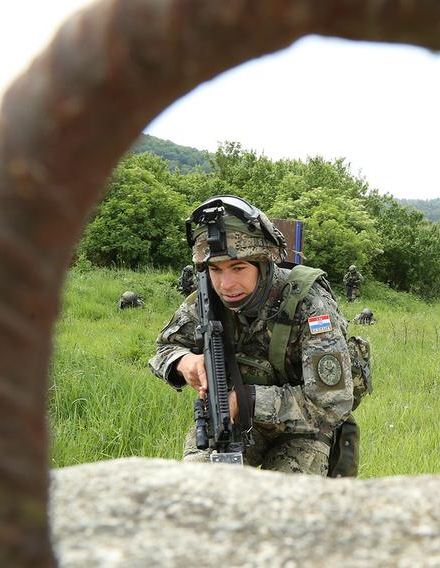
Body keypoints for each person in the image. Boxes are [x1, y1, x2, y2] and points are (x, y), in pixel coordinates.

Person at [148, 195, 353, 475]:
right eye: (214, 270)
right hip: (230, 422)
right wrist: (183, 362)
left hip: (303, 428)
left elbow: (332, 403)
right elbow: (164, 348)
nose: (226, 284)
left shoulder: (311, 304)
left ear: (264, 264)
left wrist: (247, 400)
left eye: (238, 268)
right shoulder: (207, 300)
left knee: (280, 506)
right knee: (197, 490)